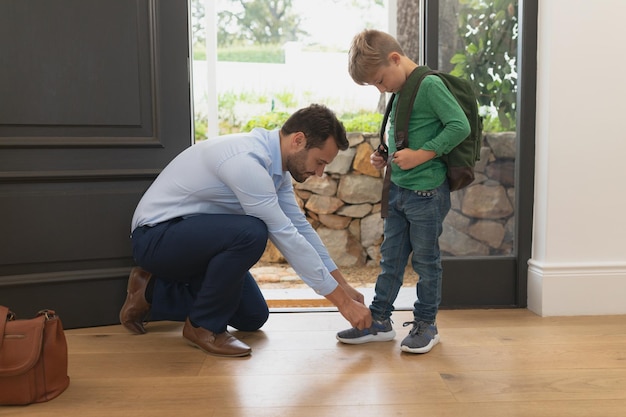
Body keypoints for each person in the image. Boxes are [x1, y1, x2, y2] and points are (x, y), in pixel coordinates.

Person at [120, 104, 372, 357]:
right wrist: (342, 305)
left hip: (194, 243)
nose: (319, 173)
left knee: (253, 316)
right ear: (298, 140)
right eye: (319, 162)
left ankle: (151, 290)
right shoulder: (246, 161)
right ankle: (203, 327)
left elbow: (300, 228)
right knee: (252, 232)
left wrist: (344, 287)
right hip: (155, 237)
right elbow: (285, 235)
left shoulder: (277, 169)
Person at [335, 29, 470, 354]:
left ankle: (427, 324)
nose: (382, 89)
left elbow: (459, 125)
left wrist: (422, 155)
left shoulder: (429, 85)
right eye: (375, 86)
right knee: (391, 259)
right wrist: (385, 154)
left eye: (380, 80)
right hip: (398, 190)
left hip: (426, 193)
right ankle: (380, 320)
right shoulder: (401, 89)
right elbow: (407, 132)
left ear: (395, 59)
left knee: (425, 261)